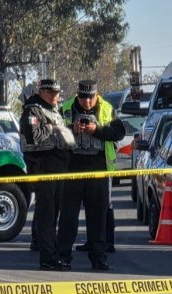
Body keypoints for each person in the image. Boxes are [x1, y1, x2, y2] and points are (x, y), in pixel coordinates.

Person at [59, 80, 125, 270]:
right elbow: (55, 135)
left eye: (91, 98)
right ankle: (64, 256)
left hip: (98, 169)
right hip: (73, 169)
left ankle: (98, 258)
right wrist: (74, 130)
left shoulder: (106, 108)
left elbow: (119, 132)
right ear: (77, 95)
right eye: (83, 98)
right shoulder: (66, 109)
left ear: (97, 95)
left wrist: (98, 130)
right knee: (68, 217)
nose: (87, 102)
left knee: (98, 217)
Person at [19, 78, 75, 271]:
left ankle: (54, 255)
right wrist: (55, 129)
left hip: (58, 169)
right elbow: (34, 136)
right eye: (51, 93)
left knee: (53, 216)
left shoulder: (54, 110)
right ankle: (48, 259)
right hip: (43, 169)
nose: (56, 97)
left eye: (57, 93)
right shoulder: (32, 110)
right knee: (46, 216)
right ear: (42, 91)